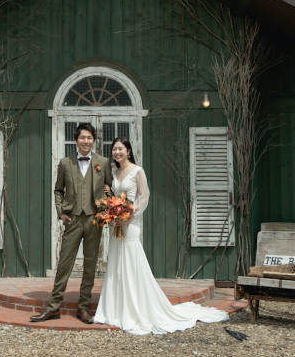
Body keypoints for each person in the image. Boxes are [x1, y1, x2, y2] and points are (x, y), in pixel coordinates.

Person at [93, 137, 229, 334]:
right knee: (116, 263)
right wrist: (110, 198)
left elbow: (144, 196)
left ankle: (136, 308)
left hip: (130, 224)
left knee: (131, 262)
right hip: (115, 223)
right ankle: (115, 308)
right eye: (114, 149)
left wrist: (130, 215)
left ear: (129, 151)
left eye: (120, 149)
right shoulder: (113, 173)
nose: (117, 152)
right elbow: (114, 197)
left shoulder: (137, 171)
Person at [30, 123, 113, 324]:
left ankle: (83, 308)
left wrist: (106, 211)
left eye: (89, 138)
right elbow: (58, 190)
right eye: (82, 137)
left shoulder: (103, 162)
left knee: (90, 264)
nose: (86, 141)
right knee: (65, 263)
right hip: (73, 219)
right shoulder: (65, 163)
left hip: (95, 219)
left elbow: (110, 189)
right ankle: (53, 307)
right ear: (76, 140)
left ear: (94, 141)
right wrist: (61, 213)